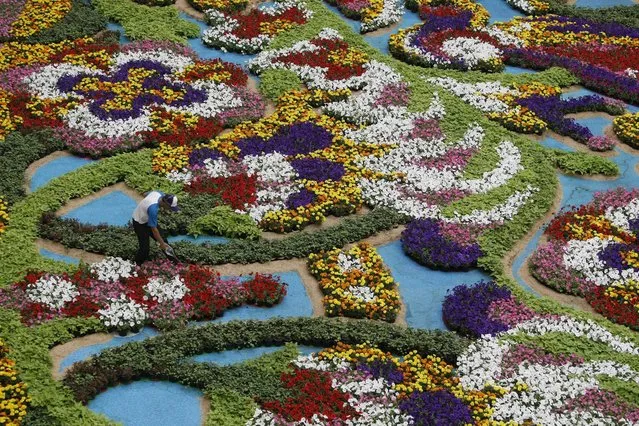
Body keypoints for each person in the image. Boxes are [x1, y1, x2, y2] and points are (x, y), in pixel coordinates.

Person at [132, 191, 179, 265]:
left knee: (163, 240)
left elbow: (145, 193)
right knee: (144, 248)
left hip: (147, 218)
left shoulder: (158, 193)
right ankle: (137, 264)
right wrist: (161, 244)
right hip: (139, 222)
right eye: (170, 207)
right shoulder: (153, 209)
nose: (170, 209)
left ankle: (175, 262)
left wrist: (162, 242)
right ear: (165, 203)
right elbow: (154, 230)